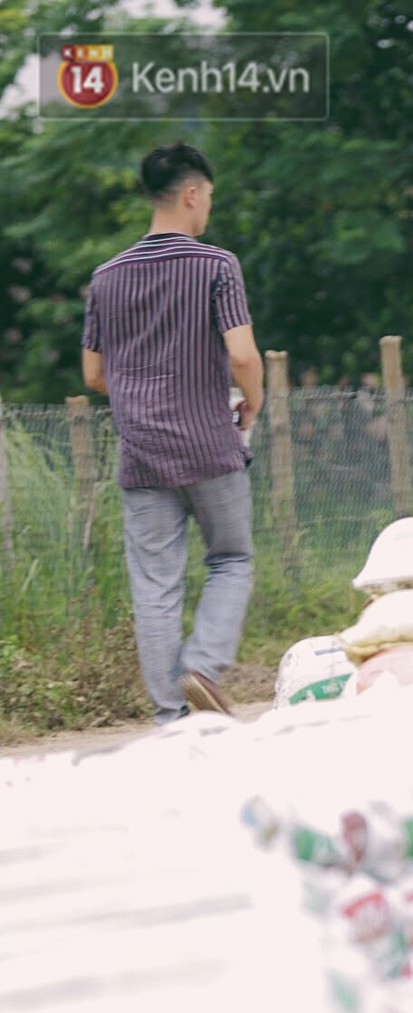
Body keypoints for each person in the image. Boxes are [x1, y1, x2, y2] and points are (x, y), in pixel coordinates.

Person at [82, 142, 263, 723]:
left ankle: (171, 720)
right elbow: (240, 354)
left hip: (141, 456)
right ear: (191, 194)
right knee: (231, 559)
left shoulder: (105, 278)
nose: (207, 206)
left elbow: (93, 374)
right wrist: (253, 401)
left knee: (155, 588)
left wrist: (140, 397)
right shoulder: (216, 266)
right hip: (209, 443)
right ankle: (203, 668)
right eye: (207, 196)